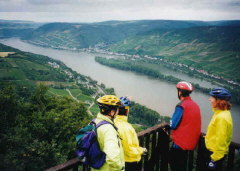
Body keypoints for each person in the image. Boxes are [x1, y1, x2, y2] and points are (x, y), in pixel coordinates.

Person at [166, 81, 201, 171]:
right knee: (182, 166)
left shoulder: (181, 106)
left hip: (180, 144)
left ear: (180, 92)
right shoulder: (195, 105)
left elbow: (173, 124)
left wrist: (167, 126)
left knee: (174, 164)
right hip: (190, 143)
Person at [92, 95, 125, 171]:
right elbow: (112, 157)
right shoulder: (108, 129)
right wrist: (120, 167)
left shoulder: (95, 122)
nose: (118, 112)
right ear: (112, 112)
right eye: (117, 110)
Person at [114, 96, 147, 171]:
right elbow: (129, 150)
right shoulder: (126, 128)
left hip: (117, 162)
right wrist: (142, 150)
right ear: (127, 111)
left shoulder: (112, 122)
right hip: (128, 162)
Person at [204, 87, 233, 171]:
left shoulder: (221, 117)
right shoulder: (223, 113)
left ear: (219, 101)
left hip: (215, 155)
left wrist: (213, 159)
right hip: (214, 153)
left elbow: (222, 141)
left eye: (212, 97)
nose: (209, 99)